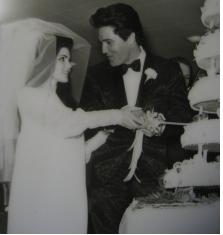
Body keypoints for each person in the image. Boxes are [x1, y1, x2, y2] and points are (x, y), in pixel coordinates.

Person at [0, 18, 145, 234]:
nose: (71, 64)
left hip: (65, 192)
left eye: (68, 59)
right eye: (63, 59)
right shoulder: (29, 96)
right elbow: (68, 125)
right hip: (45, 198)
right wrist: (116, 115)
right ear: (43, 61)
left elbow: (72, 150)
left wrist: (101, 137)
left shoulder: (56, 101)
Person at [80, 3, 191, 233]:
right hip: (108, 179)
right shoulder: (95, 75)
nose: (102, 49)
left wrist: (160, 126)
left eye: (108, 42)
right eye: (101, 42)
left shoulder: (168, 69)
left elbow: (182, 118)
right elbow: (88, 119)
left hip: (153, 178)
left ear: (130, 37)